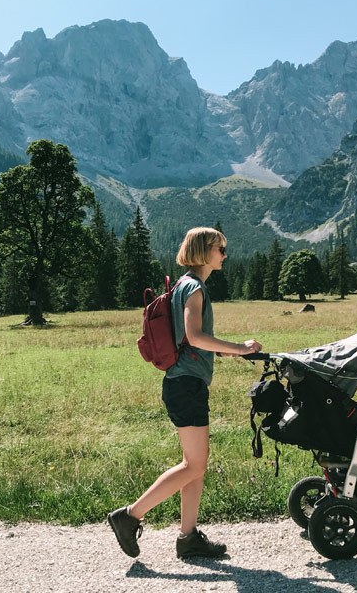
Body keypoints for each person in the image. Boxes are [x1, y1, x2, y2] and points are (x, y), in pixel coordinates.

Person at [108, 227, 263, 559]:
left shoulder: (184, 285)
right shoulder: (194, 288)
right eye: (221, 248)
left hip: (183, 383)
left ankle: (188, 537)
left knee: (195, 464)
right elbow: (194, 337)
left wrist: (224, 352)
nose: (224, 253)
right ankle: (129, 516)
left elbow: (188, 340)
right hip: (186, 386)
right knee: (194, 465)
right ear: (206, 250)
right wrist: (239, 348)